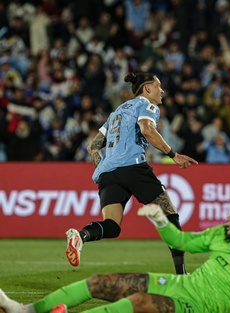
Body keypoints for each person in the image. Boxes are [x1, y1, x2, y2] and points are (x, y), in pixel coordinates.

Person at [0, 193, 230, 313]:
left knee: (139, 301)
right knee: (100, 281)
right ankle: (25, 310)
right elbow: (183, 242)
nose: (228, 216)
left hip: (202, 308)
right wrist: (161, 221)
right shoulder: (222, 233)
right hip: (183, 286)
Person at [65, 72, 198, 275]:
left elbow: (94, 146)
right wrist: (174, 155)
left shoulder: (117, 112)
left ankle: (81, 235)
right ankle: (181, 273)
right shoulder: (147, 105)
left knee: (112, 226)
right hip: (133, 166)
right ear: (147, 89)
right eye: (158, 86)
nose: (161, 91)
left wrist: (104, 169)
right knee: (170, 215)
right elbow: (147, 129)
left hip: (107, 173)